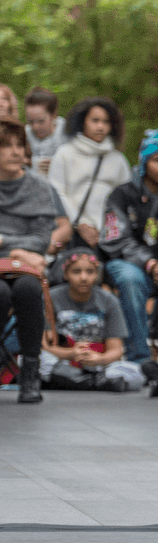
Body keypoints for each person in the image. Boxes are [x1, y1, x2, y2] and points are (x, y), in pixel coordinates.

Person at [96, 134, 158, 364]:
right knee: (130, 280)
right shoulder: (121, 194)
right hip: (132, 264)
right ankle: (139, 358)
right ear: (143, 162)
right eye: (156, 160)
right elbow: (115, 239)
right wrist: (149, 264)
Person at [0, 117, 60, 404]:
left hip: (24, 268)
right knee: (0, 293)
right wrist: (21, 249)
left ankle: (30, 374)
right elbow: (31, 244)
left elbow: (41, 241)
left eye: (19, 145)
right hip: (17, 263)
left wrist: (6, 245)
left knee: (28, 289)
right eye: (5, 146)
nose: (15, 152)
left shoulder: (39, 187)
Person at [41, 248, 139, 392]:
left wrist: (99, 359)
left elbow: (116, 350)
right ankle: (93, 382)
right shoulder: (49, 298)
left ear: (97, 275)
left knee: (136, 373)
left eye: (90, 272)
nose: (83, 277)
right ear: (66, 274)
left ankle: (77, 381)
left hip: (97, 362)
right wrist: (70, 354)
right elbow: (44, 346)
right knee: (34, 360)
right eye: (76, 272)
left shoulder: (109, 300)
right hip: (63, 359)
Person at [49, 97, 133, 249]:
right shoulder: (64, 154)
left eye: (106, 122)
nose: (100, 126)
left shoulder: (119, 160)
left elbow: (126, 201)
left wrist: (111, 231)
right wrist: (80, 224)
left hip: (111, 238)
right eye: (95, 120)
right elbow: (56, 193)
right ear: (82, 121)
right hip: (73, 235)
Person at [23, 88, 65, 178]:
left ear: (54, 116)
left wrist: (59, 165)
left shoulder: (68, 133)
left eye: (41, 121)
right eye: (30, 122)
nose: (35, 127)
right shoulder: (24, 134)